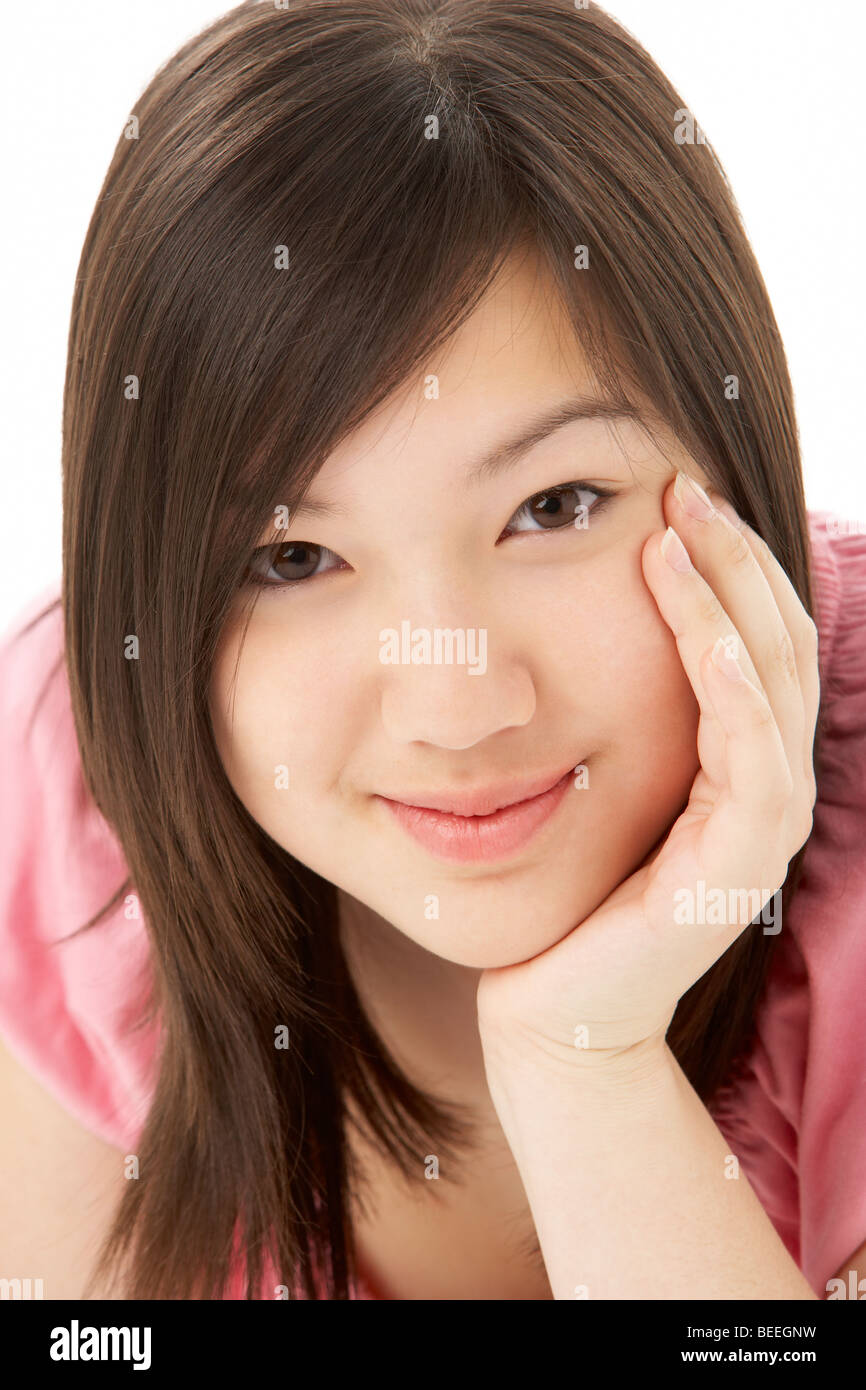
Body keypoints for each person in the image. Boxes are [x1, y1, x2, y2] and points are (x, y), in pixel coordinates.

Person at [1, 0, 865, 1301]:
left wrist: (585, 1059)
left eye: (553, 506)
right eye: (291, 557)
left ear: (736, 470)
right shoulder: (81, 780)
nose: (457, 706)